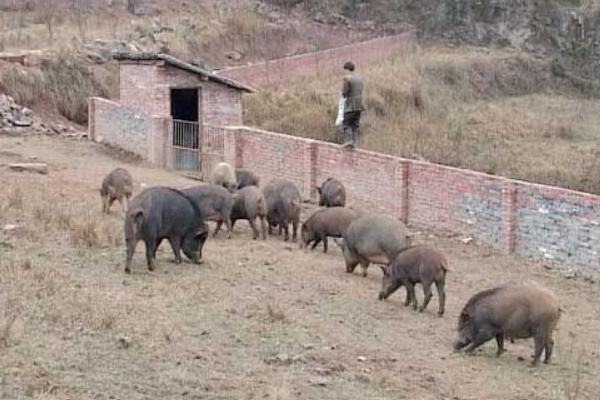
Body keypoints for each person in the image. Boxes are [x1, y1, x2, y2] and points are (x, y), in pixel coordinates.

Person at [341, 61, 364, 149]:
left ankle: (349, 141)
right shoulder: (359, 79)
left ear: (347, 69)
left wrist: (343, 94)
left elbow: (344, 93)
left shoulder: (347, 79)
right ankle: (355, 143)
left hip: (350, 106)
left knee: (347, 124)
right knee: (355, 125)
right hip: (359, 106)